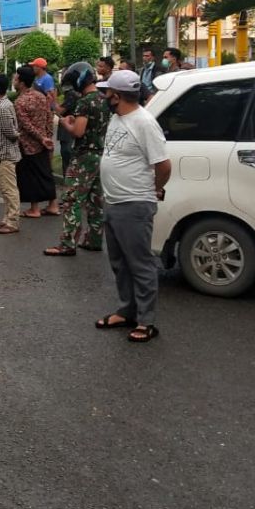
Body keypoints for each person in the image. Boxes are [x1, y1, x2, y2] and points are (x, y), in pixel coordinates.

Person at [94, 70, 170, 343]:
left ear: (116, 96)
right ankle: (127, 311)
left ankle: (146, 321)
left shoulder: (144, 122)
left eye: (106, 92)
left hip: (134, 203)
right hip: (113, 201)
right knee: (119, 263)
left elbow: (163, 165)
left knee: (140, 264)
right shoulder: (117, 117)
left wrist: (155, 189)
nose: (103, 95)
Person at [45, 62, 111, 257]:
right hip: (101, 155)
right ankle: (94, 239)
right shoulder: (102, 98)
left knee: (71, 199)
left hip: (84, 156)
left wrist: (65, 123)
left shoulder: (85, 101)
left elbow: (78, 131)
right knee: (95, 200)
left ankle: (67, 243)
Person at [14, 66, 59, 218]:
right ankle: (53, 205)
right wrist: (47, 136)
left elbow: (26, 125)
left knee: (31, 177)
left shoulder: (20, 102)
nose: (14, 81)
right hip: (44, 143)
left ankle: (35, 209)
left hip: (28, 145)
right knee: (46, 173)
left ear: (21, 83)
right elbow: (49, 115)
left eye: (15, 79)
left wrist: (41, 138)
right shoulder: (40, 96)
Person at [0, 73, 21, 234]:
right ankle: (7, 218)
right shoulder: (2, 105)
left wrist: (16, 135)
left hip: (5, 154)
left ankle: (12, 221)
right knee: (5, 189)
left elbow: (11, 131)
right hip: (0, 153)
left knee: (9, 189)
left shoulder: (3, 107)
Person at [55, 72, 79, 176]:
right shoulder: (74, 93)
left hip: (68, 128)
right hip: (68, 127)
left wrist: (53, 100)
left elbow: (60, 111)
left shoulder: (71, 94)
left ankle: (69, 179)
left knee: (67, 153)